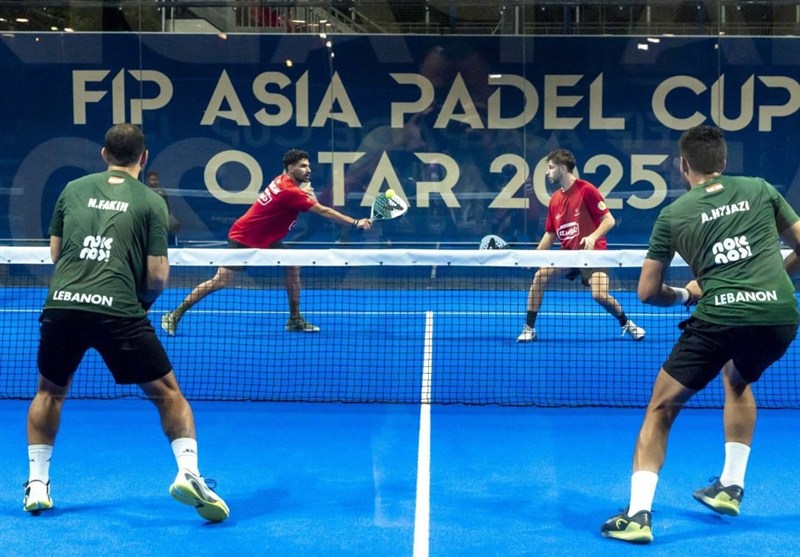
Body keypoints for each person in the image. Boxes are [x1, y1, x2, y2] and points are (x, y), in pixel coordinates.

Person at [600, 125, 800, 544]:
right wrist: (776, 280)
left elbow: (647, 292)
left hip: (719, 318)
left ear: (683, 166)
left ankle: (637, 516)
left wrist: (685, 294)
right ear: (723, 162)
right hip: (780, 316)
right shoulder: (761, 188)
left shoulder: (674, 215)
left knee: (661, 408)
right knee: (737, 378)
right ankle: (730, 486)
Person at [24, 124, 229, 522]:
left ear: (104, 154)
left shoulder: (72, 189)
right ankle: (189, 472)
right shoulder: (151, 201)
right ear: (144, 157)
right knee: (168, 394)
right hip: (119, 310)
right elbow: (157, 276)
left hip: (63, 306)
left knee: (49, 392)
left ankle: (37, 483)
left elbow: (56, 254)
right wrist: (143, 304)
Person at [161, 148, 371, 336]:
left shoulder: (282, 180)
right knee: (220, 281)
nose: (308, 170)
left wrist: (305, 192)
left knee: (293, 264)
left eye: (309, 166)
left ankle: (294, 319)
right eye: (302, 166)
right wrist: (355, 223)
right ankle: (174, 314)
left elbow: (301, 198)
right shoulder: (290, 192)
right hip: (244, 238)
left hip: (265, 239)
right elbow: (322, 211)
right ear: (290, 168)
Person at [516, 149, 645, 342]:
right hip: (569, 256)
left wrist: (593, 237)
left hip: (593, 255)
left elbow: (609, 220)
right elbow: (550, 233)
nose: (547, 172)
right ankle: (529, 329)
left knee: (599, 295)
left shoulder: (586, 190)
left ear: (562, 168)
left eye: (551, 168)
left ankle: (626, 323)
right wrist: (535, 256)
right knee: (540, 277)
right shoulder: (555, 199)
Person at [146, 170, 181, 240]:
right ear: (148, 180)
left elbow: (167, 206)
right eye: (152, 180)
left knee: (175, 224)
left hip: (162, 215)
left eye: (156, 180)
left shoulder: (162, 192)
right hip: (149, 215)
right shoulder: (145, 191)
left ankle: (171, 240)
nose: (154, 182)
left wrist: (168, 215)